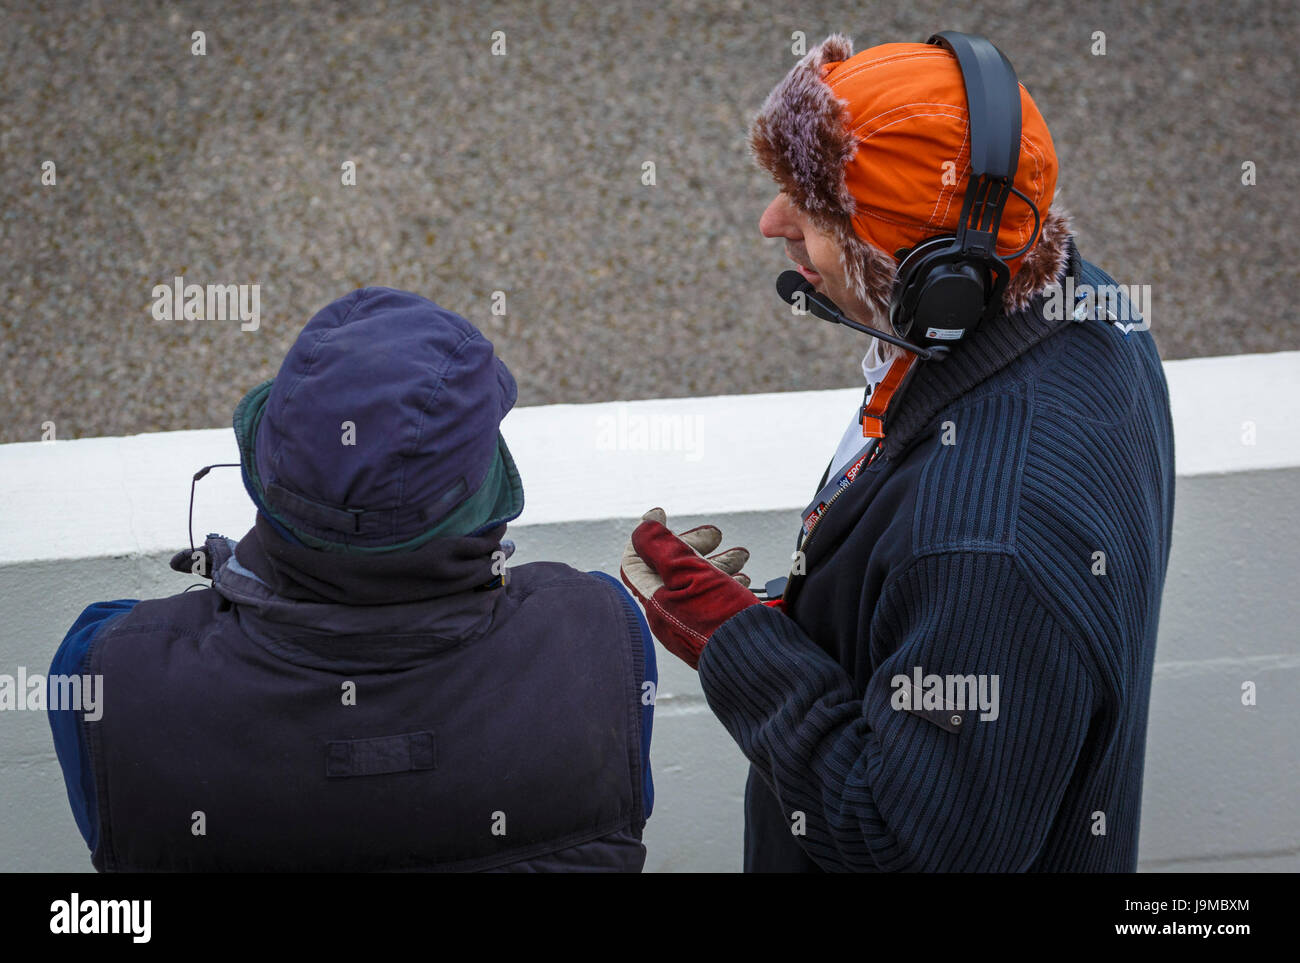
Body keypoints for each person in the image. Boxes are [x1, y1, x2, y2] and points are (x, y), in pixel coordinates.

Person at [620, 33, 1175, 871]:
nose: (772, 222)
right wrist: (799, 616)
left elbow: (900, 842)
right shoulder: (1084, 304)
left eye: (810, 214)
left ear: (930, 279)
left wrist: (740, 646)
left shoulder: (986, 551)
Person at [49, 287, 655, 872]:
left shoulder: (103, 672)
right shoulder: (605, 634)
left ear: (260, 473)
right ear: (492, 498)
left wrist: (250, 577)